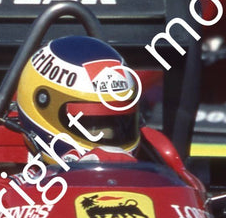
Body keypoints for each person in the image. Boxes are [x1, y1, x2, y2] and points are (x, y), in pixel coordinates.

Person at [13, 35, 144, 165]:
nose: (108, 134)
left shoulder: (155, 157)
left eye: (119, 124)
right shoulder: (8, 181)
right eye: (95, 126)